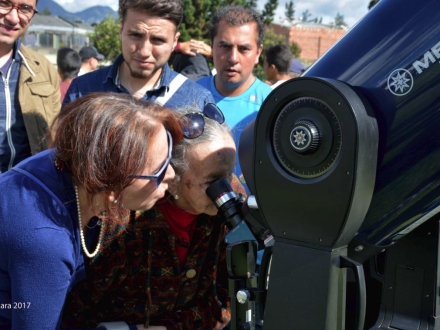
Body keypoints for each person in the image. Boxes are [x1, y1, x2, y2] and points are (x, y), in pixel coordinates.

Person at [0, 92, 183, 329]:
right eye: (158, 171)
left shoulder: (65, 163)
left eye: (169, 157)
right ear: (110, 181)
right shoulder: (46, 239)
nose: (172, 174)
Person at [61, 104, 234, 330]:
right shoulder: (122, 219)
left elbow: (230, 296)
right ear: (172, 178)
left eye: (230, 173)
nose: (227, 189)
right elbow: (76, 308)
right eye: (212, 181)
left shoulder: (230, 208)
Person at [63, 0, 213, 110]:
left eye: (158, 40)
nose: (144, 51)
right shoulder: (82, 90)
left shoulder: (197, 102)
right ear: (121, 30)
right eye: (135, 35)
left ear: (175, 42)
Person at [196, 6, 272, 191]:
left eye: (244, 48)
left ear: (258, 53)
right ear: (212, 47)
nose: (233, 58)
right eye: (225, 46)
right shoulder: (191, 94)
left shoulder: (271, 105)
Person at [0, 0, 61, 173]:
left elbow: (54, 138)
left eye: (25, 9)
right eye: (4, 3)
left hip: (26, 189)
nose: (13, 18)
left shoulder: (42, 69)